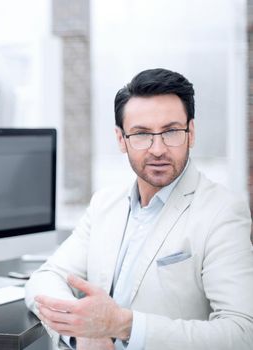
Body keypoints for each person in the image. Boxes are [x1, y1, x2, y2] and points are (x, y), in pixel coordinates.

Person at [25, 68, 253, 350]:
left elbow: (242, 333)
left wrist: (122, 325)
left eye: (171, 131)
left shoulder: (223, 211)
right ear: (121, 139)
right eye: (141, 134)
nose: (157, 149)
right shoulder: (104, 204)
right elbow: (46, 278)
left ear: (191, 133)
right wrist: (83, 331)